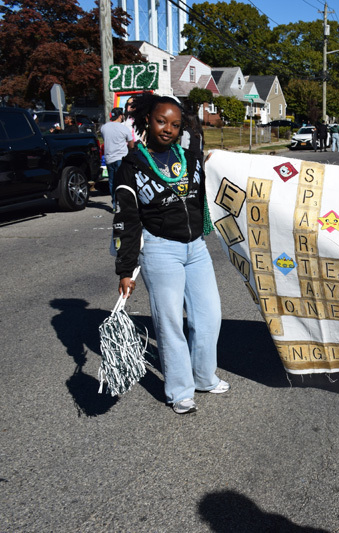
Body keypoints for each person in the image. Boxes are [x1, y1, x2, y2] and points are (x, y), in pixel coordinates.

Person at [112, 92, 228, 415]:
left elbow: (213, 189)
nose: (168, 129)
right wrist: (126, 269)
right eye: (161, 121)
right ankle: (179, 391)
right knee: (170, 323)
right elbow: (127, 221)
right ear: (147, 120)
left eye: (175, 125)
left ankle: (204, 377)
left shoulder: (190, 158)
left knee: (209, 316)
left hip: (196, 248)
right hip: (160, 250)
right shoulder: (131, 167)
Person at [100, 107, 134, 207]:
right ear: (120, 116)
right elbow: (131, 144)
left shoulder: (104, 127)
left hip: (109, 159)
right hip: (121, 158)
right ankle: (123, 203)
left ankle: (114, 204)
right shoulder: (123, 128)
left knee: (112, 182)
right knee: (123, 182)